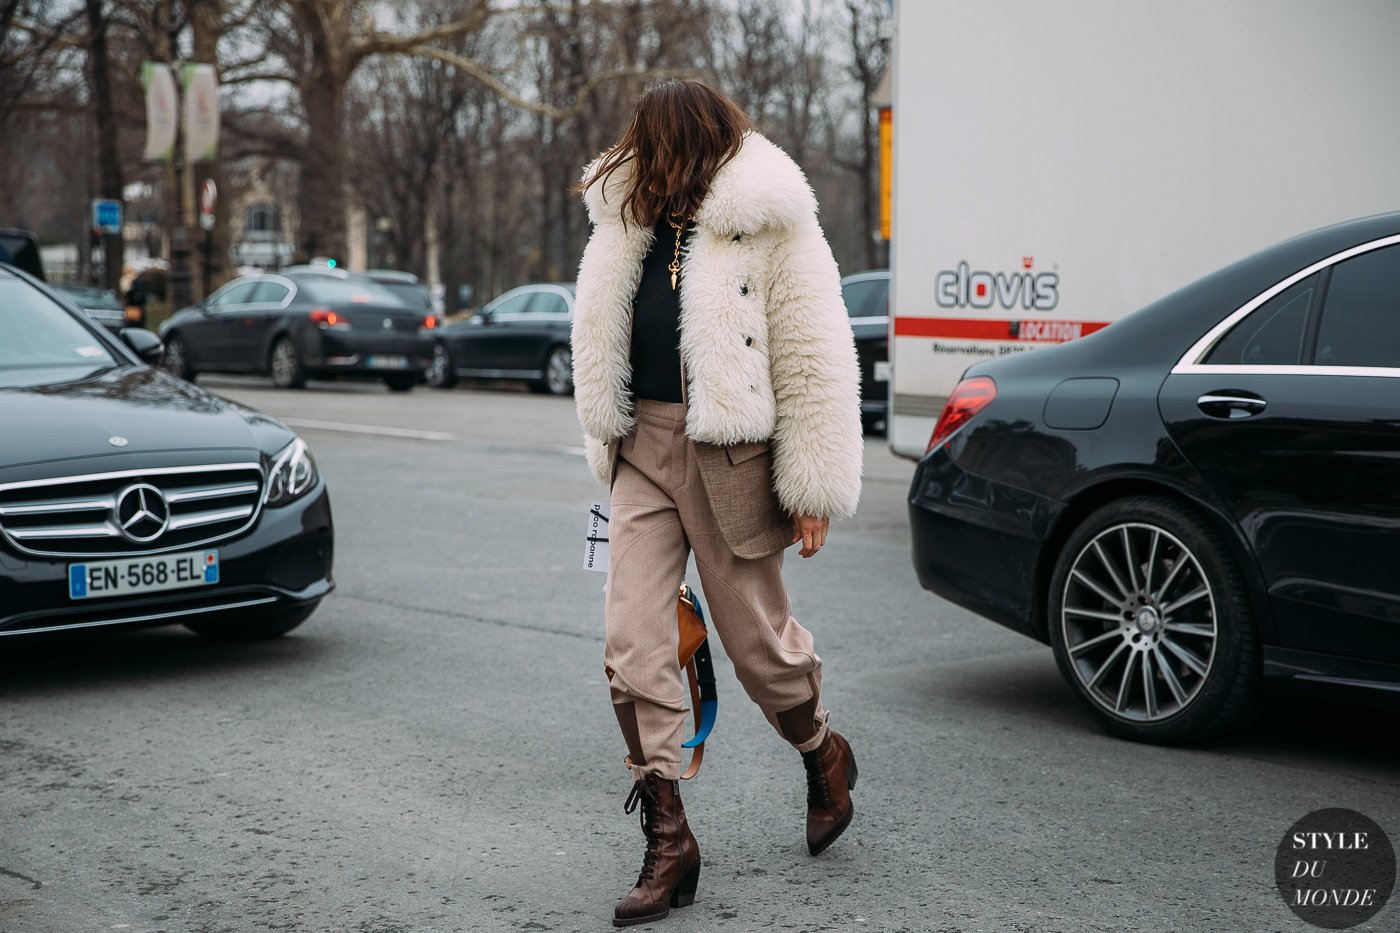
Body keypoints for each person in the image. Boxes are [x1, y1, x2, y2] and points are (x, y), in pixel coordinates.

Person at [571, 80, 864, 927]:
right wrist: (609, 434)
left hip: (730, 455)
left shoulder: (767, 220)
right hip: (642, 453)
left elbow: (814, 353)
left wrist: (812, 483)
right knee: (631, 643)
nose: (651, 163)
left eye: (664, 148)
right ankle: (669, 839)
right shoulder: (623, 219)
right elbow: (598, 334)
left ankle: (821, 752)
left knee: (757, 647)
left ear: (702, 145)